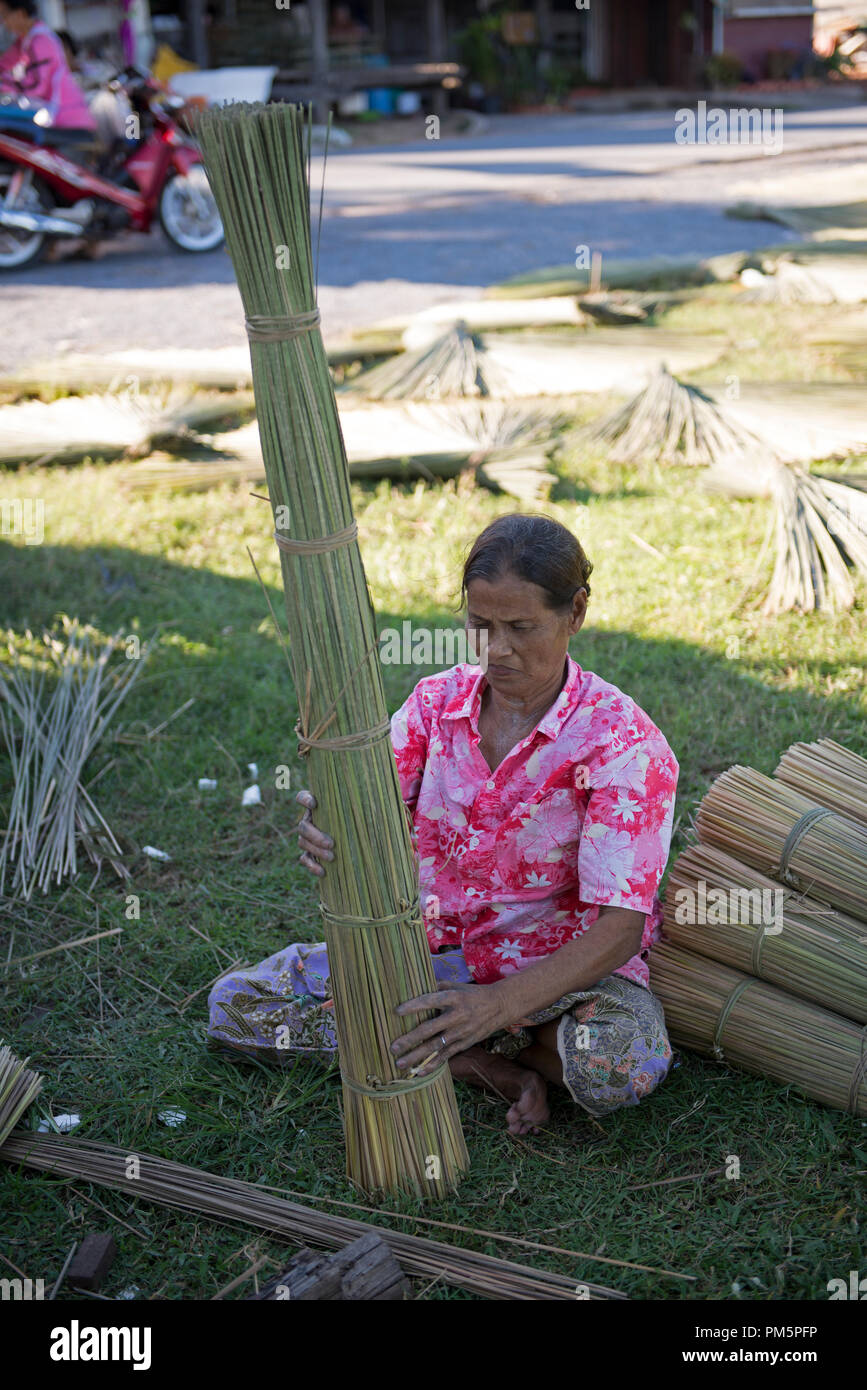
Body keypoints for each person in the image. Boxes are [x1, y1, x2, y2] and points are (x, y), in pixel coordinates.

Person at [208, 514, 679, 1135]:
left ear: (577, 612)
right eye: (480, 625)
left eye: (521, 627)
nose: (498, 649)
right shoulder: (435, 706)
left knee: (623, 1065)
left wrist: (499, 1005)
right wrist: (328, 826)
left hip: (562, 976)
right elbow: (364, 809)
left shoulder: (622, 744)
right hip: (430, 965)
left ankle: (470, 1040)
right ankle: (497, 1067)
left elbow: (621, 928)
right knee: (234, 1006)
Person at [0, 0, 96, 130]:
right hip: (54, 118)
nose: (3, 22)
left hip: (68, 120)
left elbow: (37, 86)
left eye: (4, 15)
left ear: (19, 14)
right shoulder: (25, 40)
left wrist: (5, 84)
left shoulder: (40, 41)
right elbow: (3, 64)